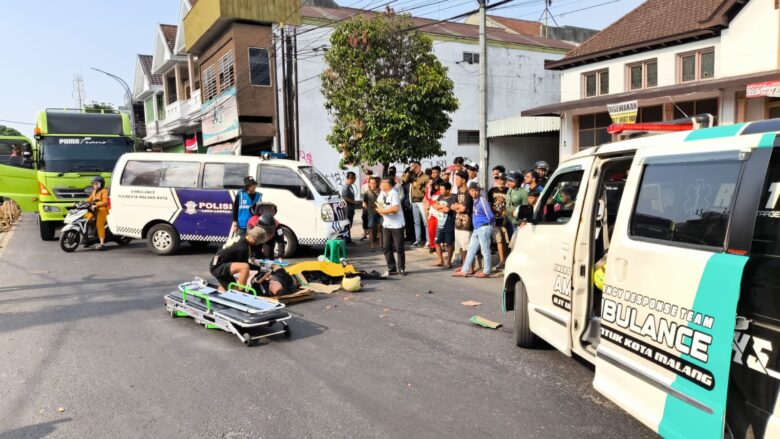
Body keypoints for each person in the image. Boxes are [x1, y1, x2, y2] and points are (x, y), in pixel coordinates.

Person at [453, 182, 495, 278]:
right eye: (472, 190)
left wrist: (490, 226)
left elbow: (490, 215)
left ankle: (486, 271)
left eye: (476, 190)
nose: (474, 192)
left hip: (484, 227)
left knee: (485, 250)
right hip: (477, 229)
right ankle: (464, 271)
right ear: (469, 191)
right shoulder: (474, 201)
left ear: (479, 191)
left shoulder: (482, 200)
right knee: (471, 250)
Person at [209, 227, 269, 292]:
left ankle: (221, 291)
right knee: (245, 267)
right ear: (254, 239)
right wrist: (260, 268)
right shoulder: (243, 247)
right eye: (257, 242)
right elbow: (246, 265)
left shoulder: (242, 237)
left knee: (233, 290)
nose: (257, 244)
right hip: (218, 266)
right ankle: (241, 292)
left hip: (219, 263)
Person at [376, 177, 406, 276]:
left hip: (397, 224)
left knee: (399, 247)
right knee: (386, 247)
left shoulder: (394, 193)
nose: (380, 184)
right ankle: (391, 268)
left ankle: (401, 268)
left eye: (382, 182)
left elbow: (395, 208)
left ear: (387, 184)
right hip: (386, 224)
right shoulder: (382, 193)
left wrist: (383, 211)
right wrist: (382, 211)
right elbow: (379, 206)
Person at [402, 161, 429, 248]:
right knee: (416, 222)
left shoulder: (425, 177)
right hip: (414, 201)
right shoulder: (412, 176)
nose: (415, 169)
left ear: (420, 166)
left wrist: (419, 186)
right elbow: (404, 180)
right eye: (413, 167)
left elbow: (428, 190)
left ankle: (428, 241)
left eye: (416, 167)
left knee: (425, 222)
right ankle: (418, 240)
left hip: (422, 201)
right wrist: (410, 170)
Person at [450, 171, 473, 270]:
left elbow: (464, 208)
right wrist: (459, 207)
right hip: (458, 222)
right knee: (461, 247)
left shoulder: (468, 192)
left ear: (464, 180)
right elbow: (451, 206)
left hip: (466, 224)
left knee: (467, 247)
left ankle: (470, 267)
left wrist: (458, 207)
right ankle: (465, 265)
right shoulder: (458, 191)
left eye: (457, 179)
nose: (456, 181)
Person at [431, 181, 456, 269]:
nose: (440, 190)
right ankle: (441, 260)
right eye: (440, 189)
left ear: (448, 190)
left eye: (442, 189)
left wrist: (439, 208)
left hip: (449, 223)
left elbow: (447, 210)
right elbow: (434, 205)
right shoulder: (440, 196)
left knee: (449, 243)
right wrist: (440, 208)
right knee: (437, 242)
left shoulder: (453, 197)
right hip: (440, 223)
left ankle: (448, 262)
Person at [488, 173, 509, 270]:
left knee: (507, 241)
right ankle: (501, 260)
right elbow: (488, 204)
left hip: (506, 220)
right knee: (499, 240)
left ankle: (507, 260)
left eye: (503, 179)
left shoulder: (509, 191)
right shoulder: (492, 191)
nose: (501, 181)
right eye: (499, 179)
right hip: (495, 220)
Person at [506, 171, 529, 250]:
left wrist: (523, 222)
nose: (509, 182)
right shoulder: (509, 190)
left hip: (518, 223)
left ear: (518, 181)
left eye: (511, 181)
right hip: (509, 221)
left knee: (515, 245)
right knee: (510, 243)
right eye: (509, 180)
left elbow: (526, 208)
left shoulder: (523, 193)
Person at [85, 176, 109, 250]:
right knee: (86, 217)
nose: (94, 185)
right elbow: (89, 200)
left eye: (96, 183)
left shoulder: (104, 191)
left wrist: (96, 205)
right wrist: (80, 203)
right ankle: (89, 236)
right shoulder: (94, 192)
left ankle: (102, 243)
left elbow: (105, 202)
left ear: (101, 184)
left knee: (99, 224)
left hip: (102, 209)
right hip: (94, 209)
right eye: (93, 183)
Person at [362, 176, 382, 251]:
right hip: (371, 213)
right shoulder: (367, 193)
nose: (373, 184)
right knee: (371, 229)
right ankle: (372, 246)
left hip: (380, 212)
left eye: (374, 183)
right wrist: (368, 211)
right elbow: (365, 203)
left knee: (380, 229)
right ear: (369, 184)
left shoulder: (380, 191)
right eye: (371, 183)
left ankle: (381, 245)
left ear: (376, 183)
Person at [341, 171, 360, 245]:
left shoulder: (350, 186)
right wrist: (354, 202)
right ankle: (346, 240)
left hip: (351, 209)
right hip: (348, 209)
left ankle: (348, 240)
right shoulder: (345, 187)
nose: (355, 180)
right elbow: (345, 197)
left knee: (349, 225)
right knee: (347, 225)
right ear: (351, 178)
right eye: (354, 178)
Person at [360, 169, 374, 241]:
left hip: (372, 205)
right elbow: (362, 196)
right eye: (367, 175)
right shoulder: (364, 186)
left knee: (372, 219)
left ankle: (373, 235)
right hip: (365, 205)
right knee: (364, 218)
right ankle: (365, 234)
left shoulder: (374, 185)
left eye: (370, 175)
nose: (368, 177)